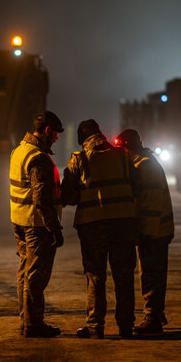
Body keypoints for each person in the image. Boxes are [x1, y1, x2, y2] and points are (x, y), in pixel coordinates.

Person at [61, 119, 139, 339]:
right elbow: (137, 187)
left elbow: (69, 196)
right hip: (123, 224)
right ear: (101, 134)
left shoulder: (79, 159)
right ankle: (125, 327)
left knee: (95, 277)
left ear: (82, 140)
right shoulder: (124, 156)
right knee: (124, 275)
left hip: (93, 226)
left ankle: (95, 327)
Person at [10, 111, 66, 338]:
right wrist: (55, 229)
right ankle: (34, 324)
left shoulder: (18, 151)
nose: (57, 139)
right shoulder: (38, 158)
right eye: (55, 134)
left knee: (25, 272)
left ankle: (26, 320)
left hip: (19, 221)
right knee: (36, 276)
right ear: (46, 131)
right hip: (36, 224)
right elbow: (41, 199)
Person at [116, 129, 174, 336]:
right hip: (157, 230)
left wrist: (145, 234)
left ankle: (152, 320)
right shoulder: (144, 161)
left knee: (151, 275)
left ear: (126, 148)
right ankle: (156, 314)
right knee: (152, 274)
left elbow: (149, 204)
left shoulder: (144, 166)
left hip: (154, 231)